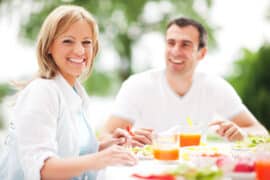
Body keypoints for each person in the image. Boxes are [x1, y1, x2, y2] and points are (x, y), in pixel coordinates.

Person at [0, 5, 136, 180]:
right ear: (49, 46)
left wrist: (107, 147)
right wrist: (99, 159)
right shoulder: (41, 92)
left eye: (87, 42)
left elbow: (70, 152)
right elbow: (42, 170)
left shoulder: (76, 92)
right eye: (68, 41)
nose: (79, 50)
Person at [104, 17, 268, 146]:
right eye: (171, 43)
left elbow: (262, 132)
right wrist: (126, 139)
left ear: (201, 53)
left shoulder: (215, 87)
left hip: (193, 170)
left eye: (185, 45)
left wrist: (243, 134)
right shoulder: (137, 85)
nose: (176, 51)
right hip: (145, 169)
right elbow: (105, 136)